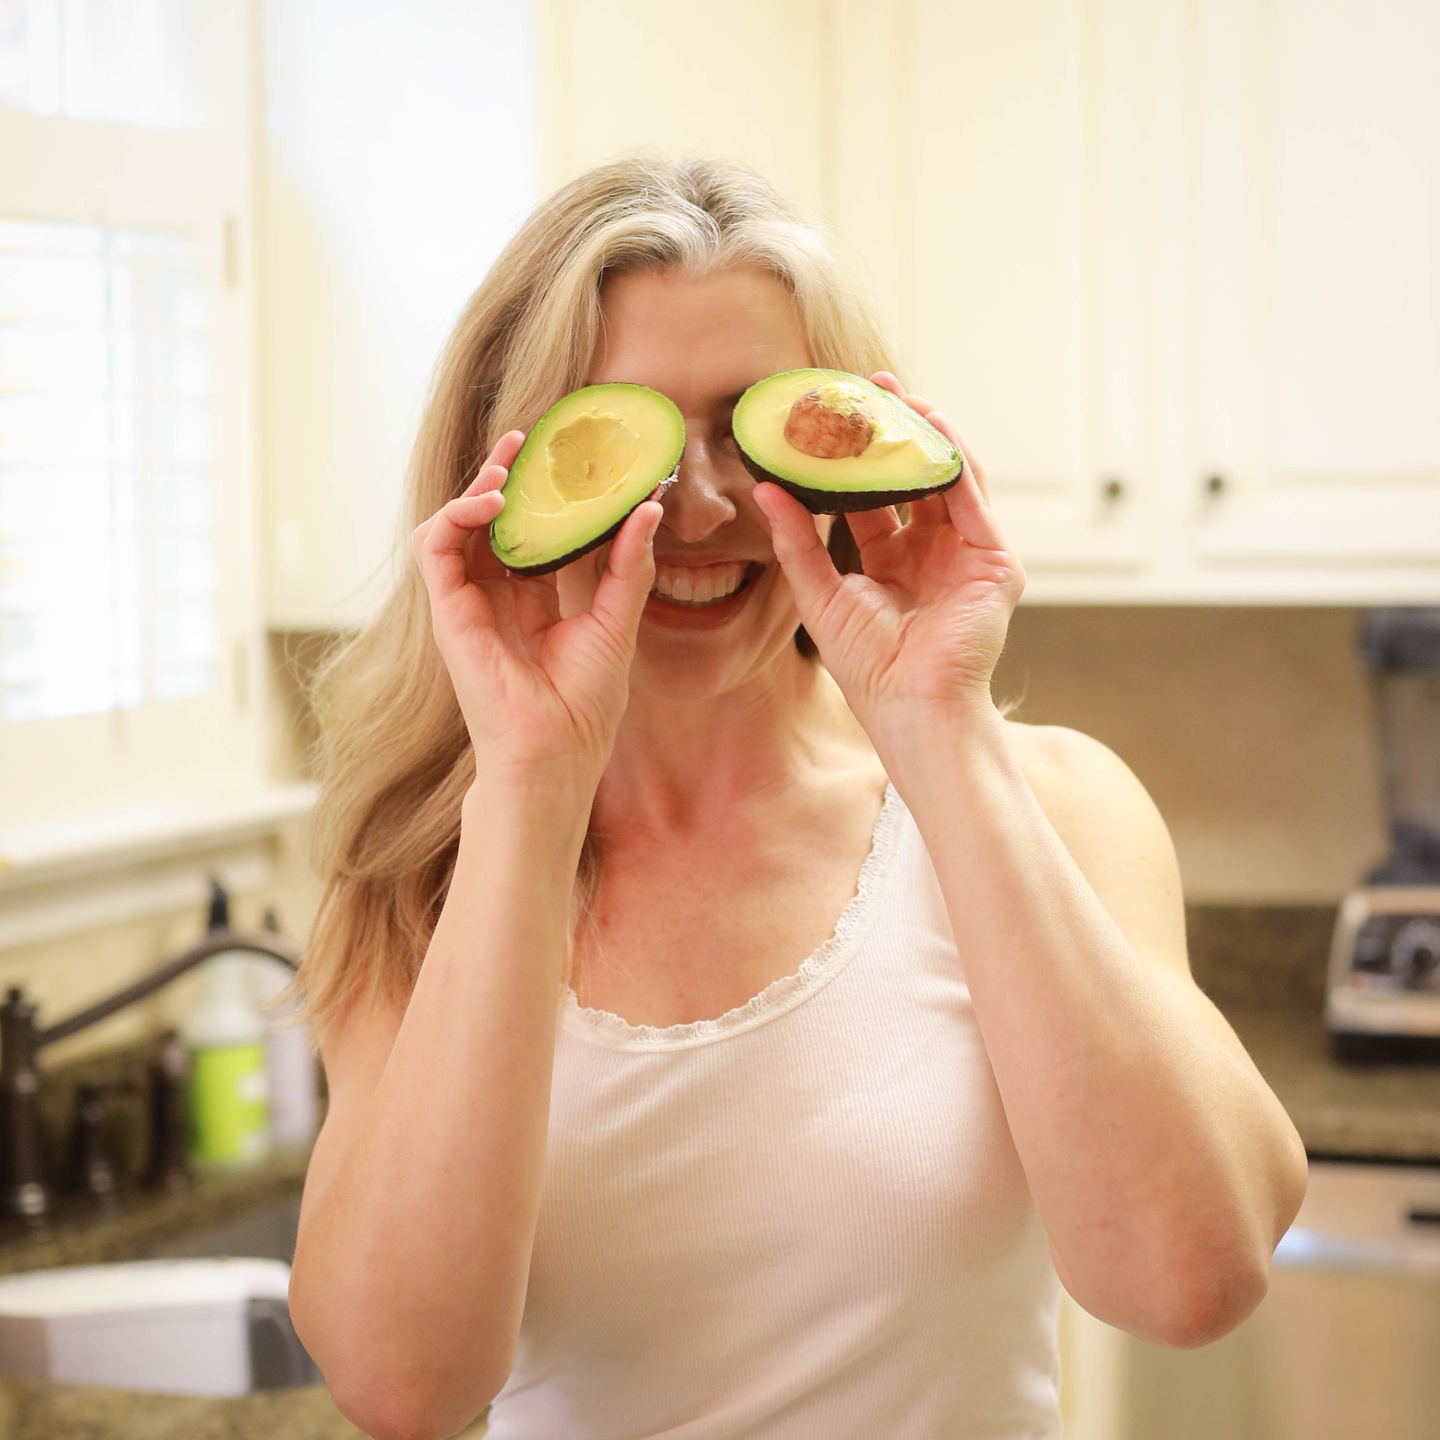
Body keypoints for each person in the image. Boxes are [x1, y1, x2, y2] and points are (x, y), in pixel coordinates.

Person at [287, 157, 1307, 1440]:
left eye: (749, 428)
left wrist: (938, 728)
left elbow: (1189, 1280)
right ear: (497, 484)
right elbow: (402, 1388)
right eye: (620, 441)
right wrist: (531, 788)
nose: (702, 505)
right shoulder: (422, 878)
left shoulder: (1051, 802)